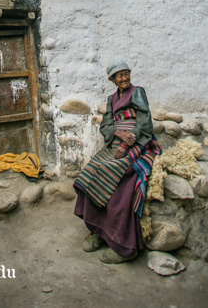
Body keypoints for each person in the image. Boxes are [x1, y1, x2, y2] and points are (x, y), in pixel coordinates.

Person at [73, 61, 161, 264]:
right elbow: (106, 126)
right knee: (92, 170)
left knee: (118, 175)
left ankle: (123, 245)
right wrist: (117, 133)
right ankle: (98, 230)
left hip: (139, 142)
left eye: (126, 74)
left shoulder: (137, 93)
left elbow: (145, 124)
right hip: (117, 142)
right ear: (113, 80)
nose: (124, 79)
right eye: (119, 76)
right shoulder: (112, 100)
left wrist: (128, 140)